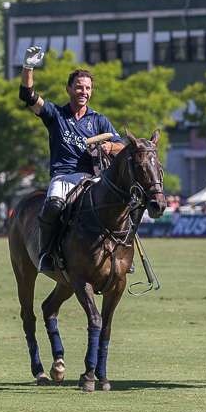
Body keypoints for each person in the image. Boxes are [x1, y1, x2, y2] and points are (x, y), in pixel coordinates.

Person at [18, 46, 124, 273]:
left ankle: (122, 255)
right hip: (63, 176)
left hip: (92, 179)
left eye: (87, 88)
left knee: (119, 205)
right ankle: (46, 253)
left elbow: (122, 147)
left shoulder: (99, 120)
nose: (83, 91)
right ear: (68, 89)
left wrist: (109, 146)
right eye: (78, 87)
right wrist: (28, 67)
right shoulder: (56, 115)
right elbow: (28, 96)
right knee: (53, 205)